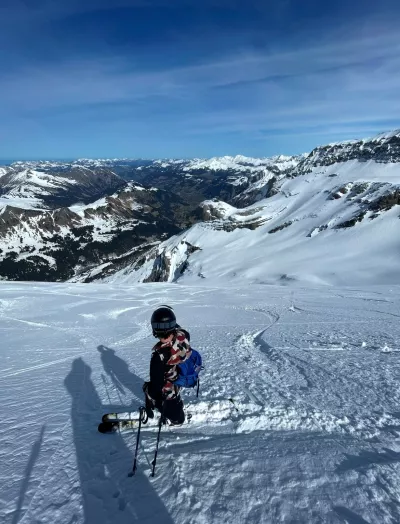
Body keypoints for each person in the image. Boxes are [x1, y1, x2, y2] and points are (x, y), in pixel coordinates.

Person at [143, 305, 191, 425]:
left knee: (177, 419)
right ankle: (166, 402)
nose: (163, 337)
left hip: (173, 384)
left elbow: (157, 384)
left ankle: (164, 404)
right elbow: (157, 385)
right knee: (178, 417)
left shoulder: (158, 357)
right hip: (174, 382)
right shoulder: (183, 336)